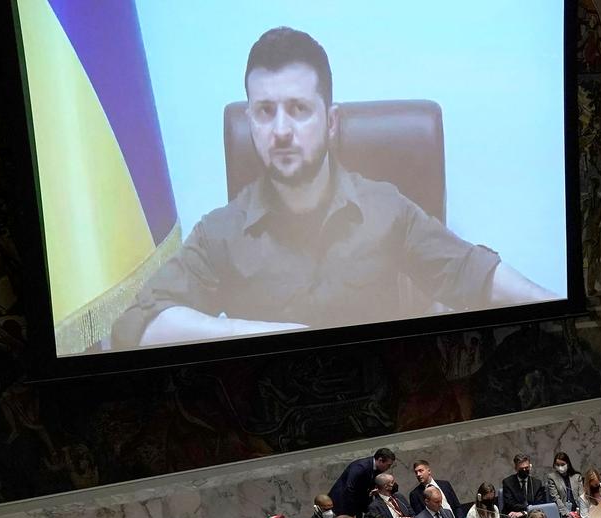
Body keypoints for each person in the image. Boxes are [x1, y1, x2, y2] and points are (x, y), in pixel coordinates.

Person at [111, 27, 552, 348]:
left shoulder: (386, 208)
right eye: (265, 111)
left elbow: (472, 274)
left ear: (330, 121)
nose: (280, 130)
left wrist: (557, 309)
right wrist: (261, 333)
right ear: (250, 123)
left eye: (298, 109)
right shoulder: (220, 232)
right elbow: (136, 325)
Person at [329, 448, 395, 518]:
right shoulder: (360, 467)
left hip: (357, 501)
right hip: (342, 502)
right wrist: (352, 512)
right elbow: (349, 488)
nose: (389, 468)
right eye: (388, 465)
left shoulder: (376, 469)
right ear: (380, 460)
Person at [542, 451, 582, 518]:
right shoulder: (552, 477)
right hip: (563, 512)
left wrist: (580, 511)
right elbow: (556, 498)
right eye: (557, 464)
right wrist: (567, 513)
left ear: (567, 463)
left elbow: (581, 496)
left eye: (562, 464)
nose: (560, 467)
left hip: (578, 511)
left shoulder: (576, 476)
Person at [501, 453, 545, 518]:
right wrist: (527, 510)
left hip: (533, 517)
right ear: (516, 468)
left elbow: (539, 504)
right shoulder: (508, 482)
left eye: (526, 468)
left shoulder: (537, 483)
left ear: (530, 466)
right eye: (521, 469)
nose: (524, 470)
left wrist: (524, 512)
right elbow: (510, 504)